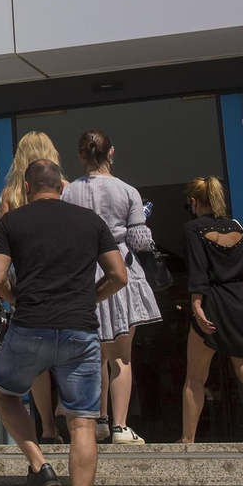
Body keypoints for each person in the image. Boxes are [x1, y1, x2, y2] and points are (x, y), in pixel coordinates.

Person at [0, 159, 127, 486]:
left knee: (4, 393)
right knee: (83, 422)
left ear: (28, 186)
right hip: (80, 331)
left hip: (30, 327)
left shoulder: (11, 222)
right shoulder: (90, 221)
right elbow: (119, 275)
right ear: (61, 187)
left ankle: (38, 463)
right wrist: (90, 299)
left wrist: (21, 300)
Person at [61, 130, 163, 444]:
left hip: (82, 274)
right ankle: (120, 426)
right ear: (112, 153)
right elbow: (139, 240)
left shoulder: (68, 194)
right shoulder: (128, 191)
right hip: (120, 272)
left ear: (80, 157)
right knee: (122, 354)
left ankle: (101, 420)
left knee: (95, 353)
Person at [179, 177, 243, 444]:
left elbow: (198, 272)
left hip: (212, 304)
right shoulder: (237, 228)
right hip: (241, 304)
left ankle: (188, 438)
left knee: (196, 376)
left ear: (194, 201)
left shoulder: (193, 228)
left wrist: (197, 305)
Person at [0, 131, 65, 444]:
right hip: (61, 275)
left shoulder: (9, 195)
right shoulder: (61, 187)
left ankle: (48, 427)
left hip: (25, 278)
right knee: (69, 348)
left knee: (36, 361)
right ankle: (70, 410)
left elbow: (5, 244)